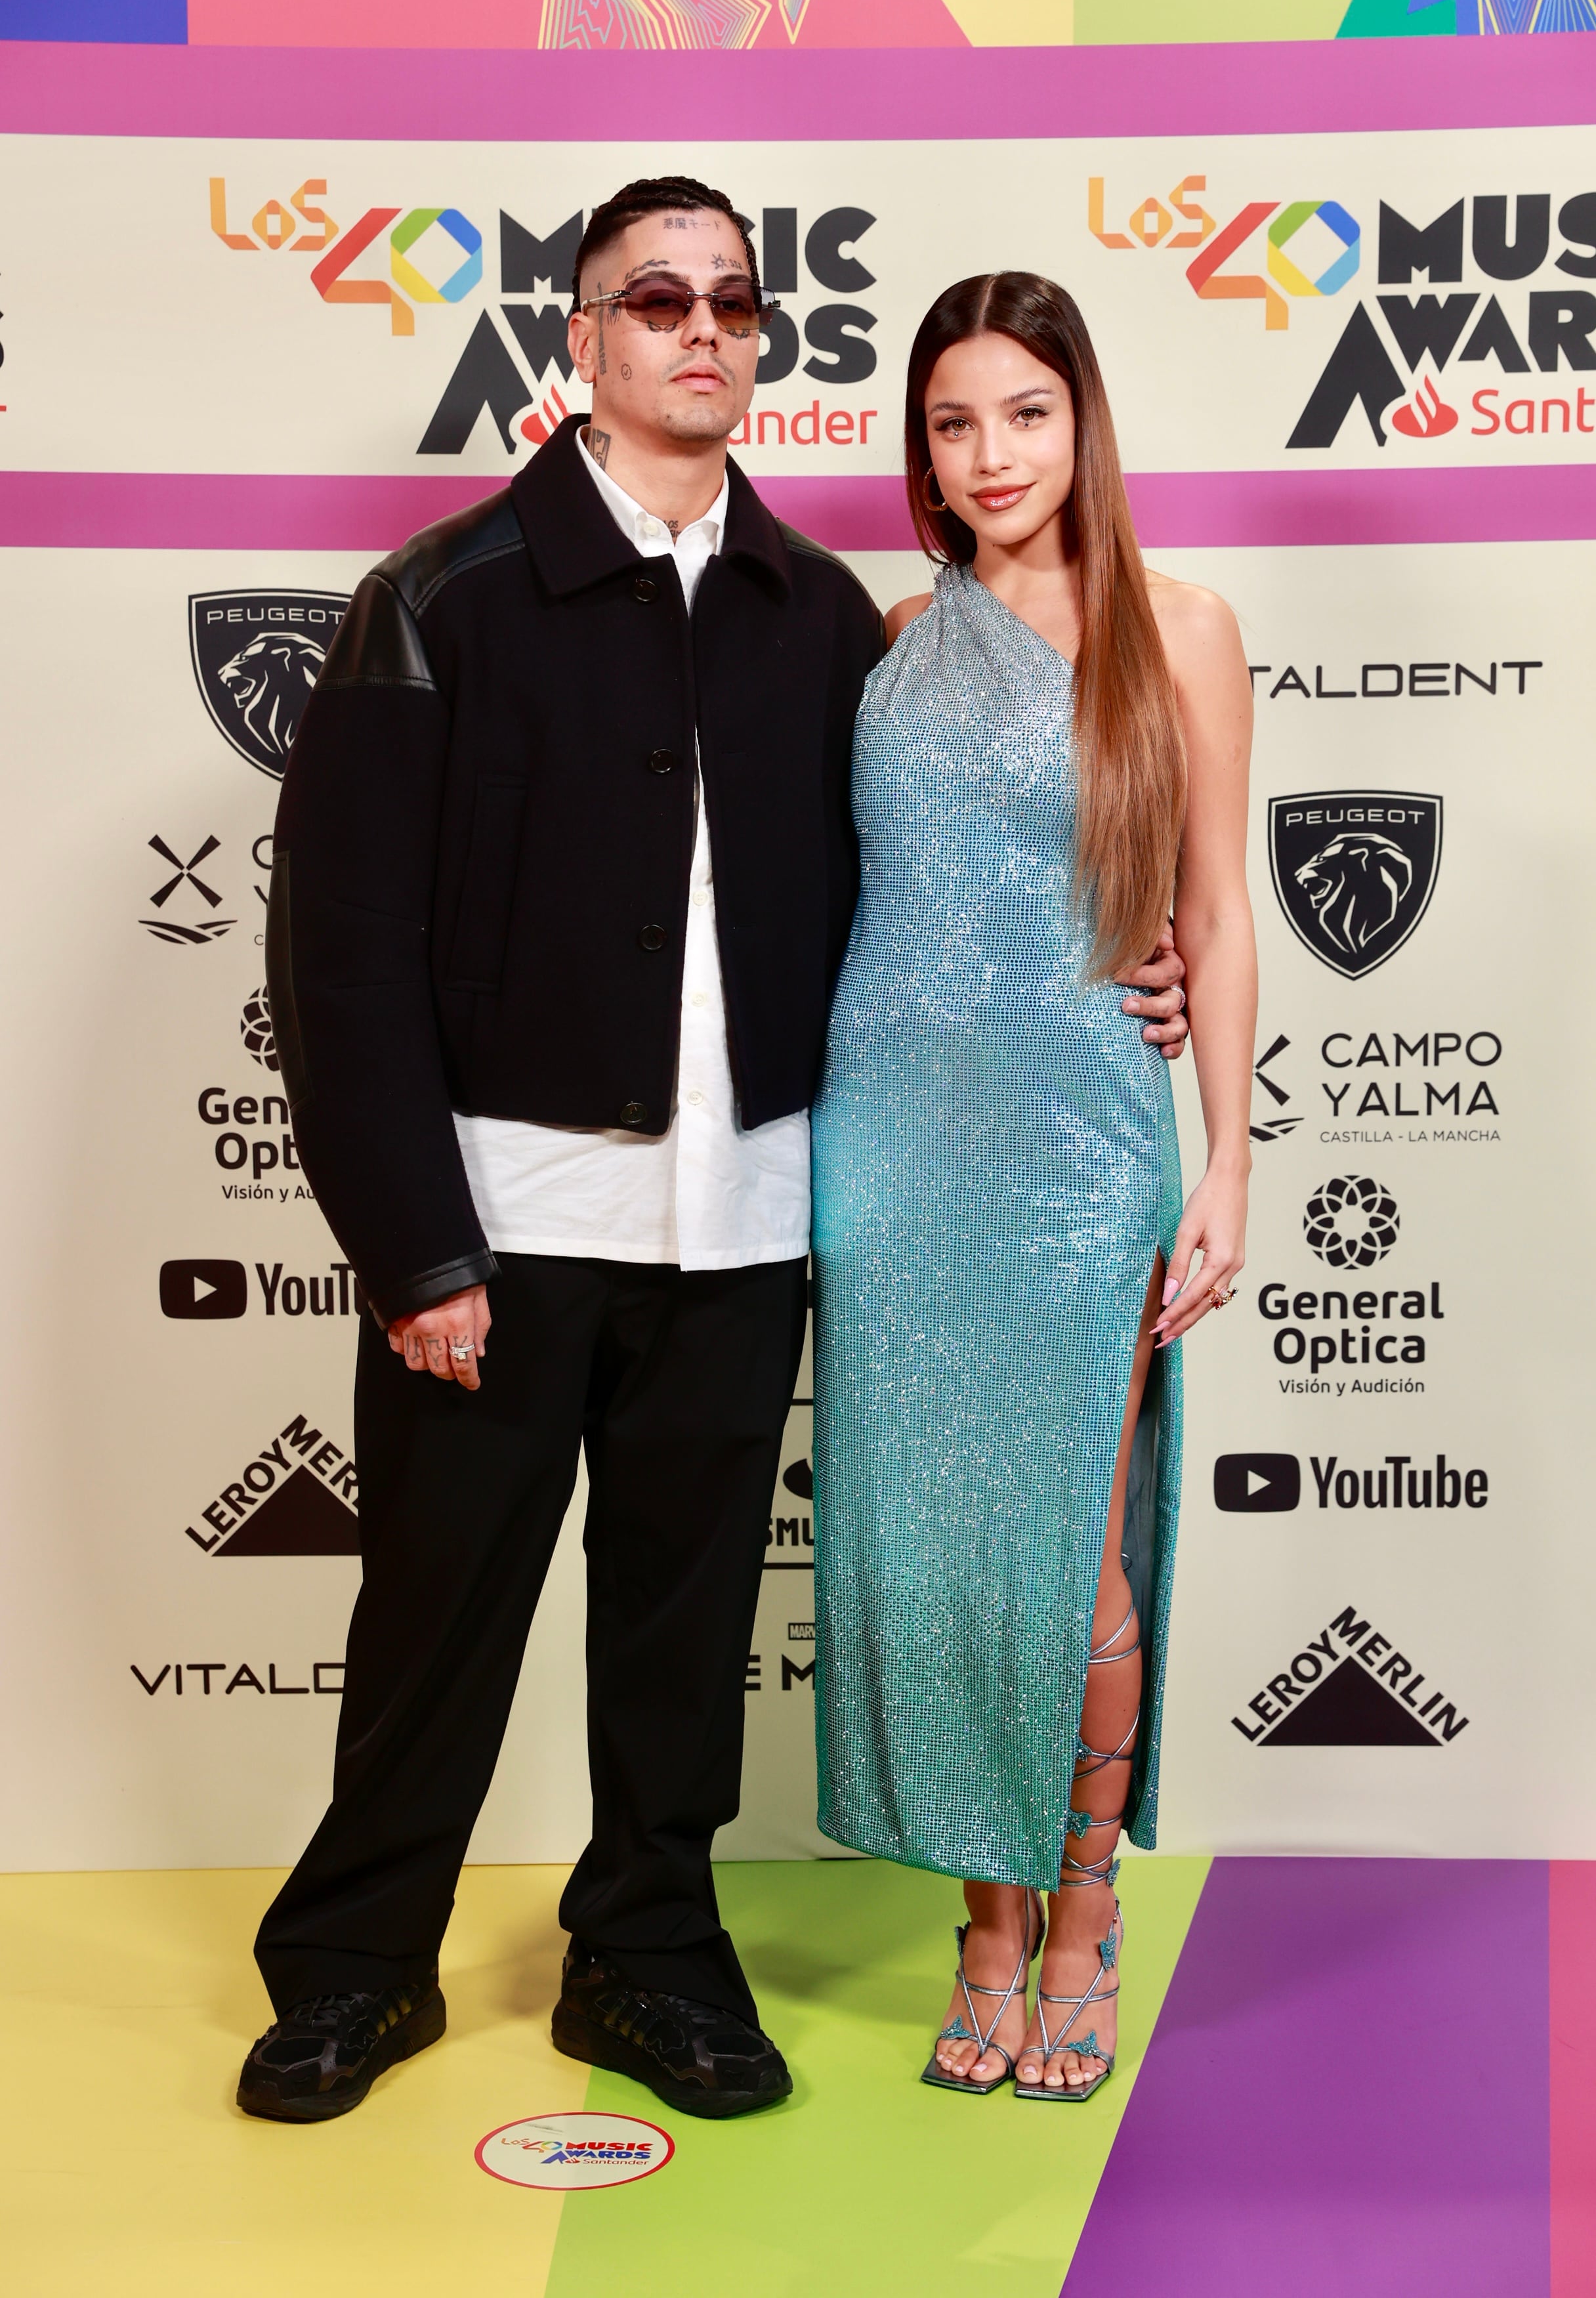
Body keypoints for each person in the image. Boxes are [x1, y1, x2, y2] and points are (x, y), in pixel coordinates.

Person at [236, 182, 1192, 2127]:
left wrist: (1133, 965)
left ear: (761, 343)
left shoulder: (820, 619)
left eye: (734, 303)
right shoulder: (441, 596)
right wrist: (417, 1245)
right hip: (503, 1225)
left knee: (681, 1646)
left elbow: (941, 871)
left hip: (748, 1226)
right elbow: (334, 958)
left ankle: (648, 1960)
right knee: (434, 1619)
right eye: (653, 298)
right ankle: (351, 1969)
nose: (699, 329)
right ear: (577, 335)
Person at [811, 272, 1255, 2101]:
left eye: (1024, 413)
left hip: (1081, 1150)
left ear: (1084, 422)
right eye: (951, 422)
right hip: (891, 1146)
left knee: (1074, 1566)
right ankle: (981, 1933)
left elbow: (1217, 916)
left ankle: (1080, 1925)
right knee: (937, 1560)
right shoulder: (896, 631)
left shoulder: (1184, 628)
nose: (989, 455)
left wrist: (1228, 1153)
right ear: (921, 444)